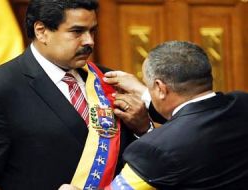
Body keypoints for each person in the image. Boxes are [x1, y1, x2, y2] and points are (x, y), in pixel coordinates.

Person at [0, 0, 149, 189]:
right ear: (42, 31)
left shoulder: (108, 80)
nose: (89, 41)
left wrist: (143, 128)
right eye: (77, 31)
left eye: (92, 31)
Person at [60, 41, 248, 189]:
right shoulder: (242, 102)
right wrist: (145, 92)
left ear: (159, 87)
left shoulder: (154, 149)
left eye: (149, 85)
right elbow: (194, 118)